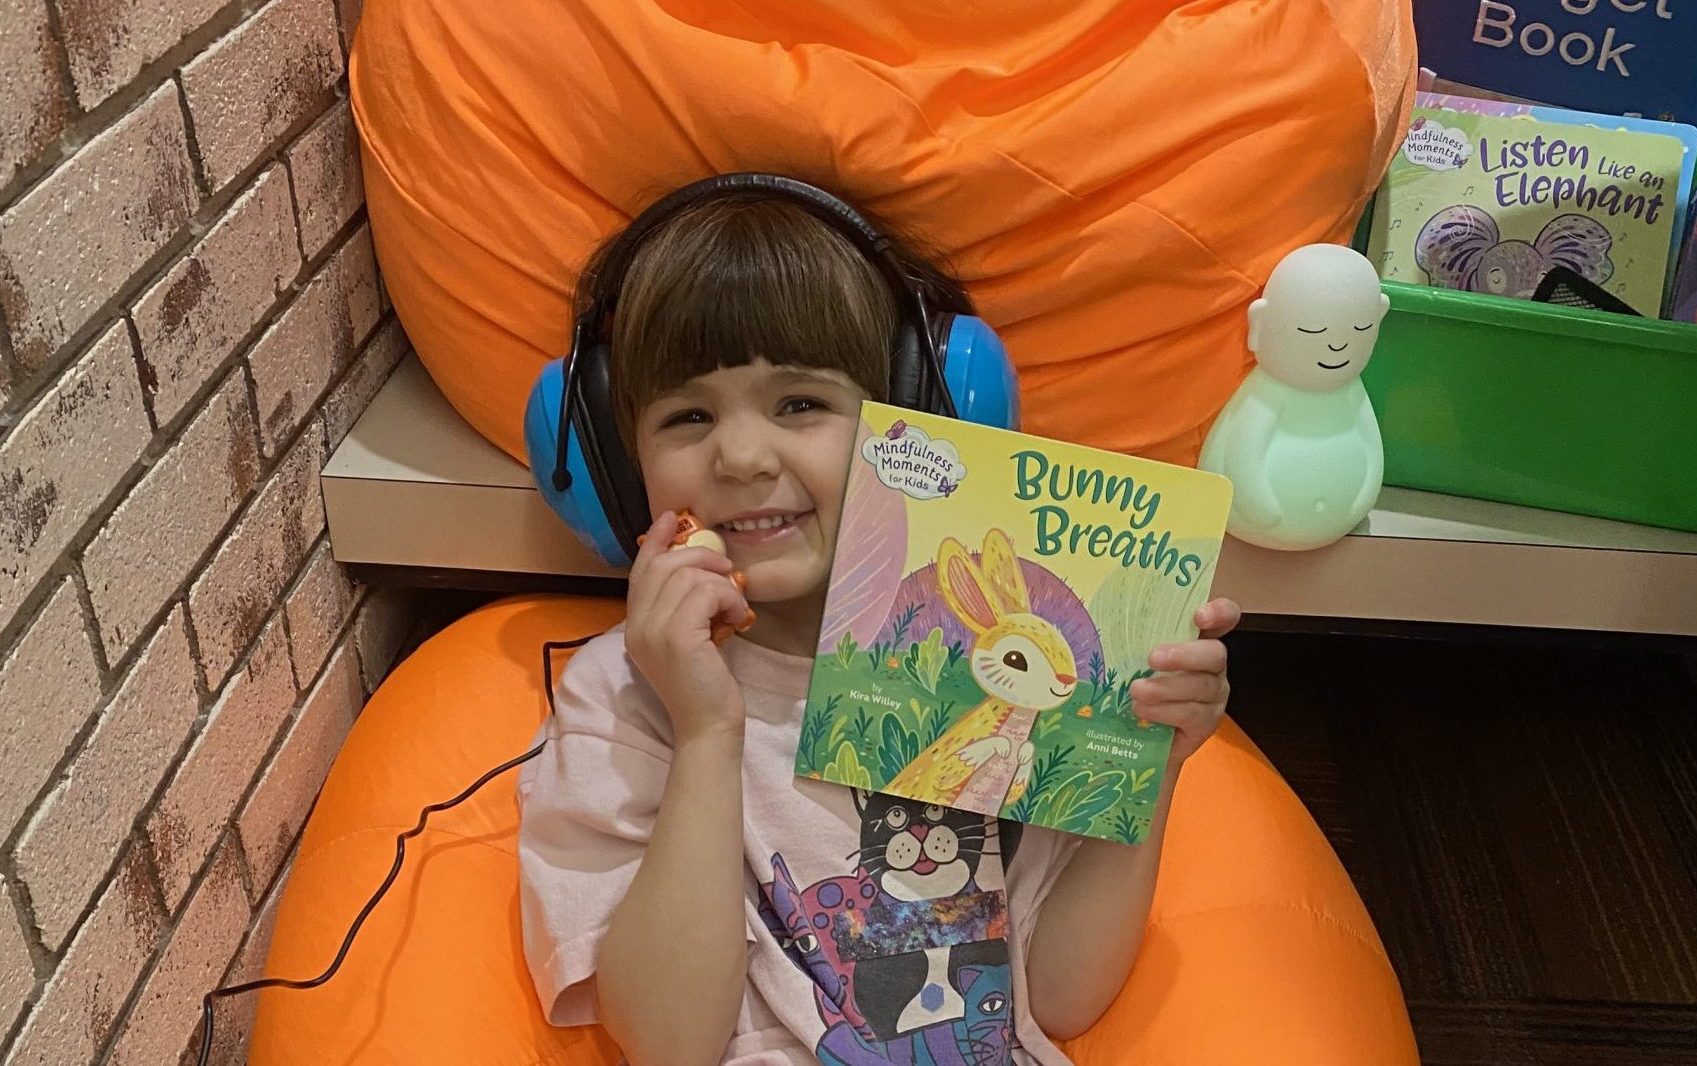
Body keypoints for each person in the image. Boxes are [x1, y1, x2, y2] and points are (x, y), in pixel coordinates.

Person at [516, 185, 1240, 1066]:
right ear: (611, 461)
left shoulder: (977, 678)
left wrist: (1150, 762)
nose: (741, 457)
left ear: (919, 422)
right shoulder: (623, 697)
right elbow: (668, 1042)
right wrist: (707, 729)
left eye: (800, 404)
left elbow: (1058, 995)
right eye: (688, 416)